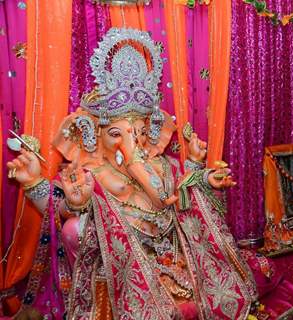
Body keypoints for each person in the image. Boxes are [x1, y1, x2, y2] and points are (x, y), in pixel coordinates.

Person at [6, 28, 258, 320]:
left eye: (138, 133)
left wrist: (200, 174)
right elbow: (63, 210)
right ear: (95, 135)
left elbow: (180, 196)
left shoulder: (160, 164)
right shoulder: (92, 173)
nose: (131, 144)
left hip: (174, 259)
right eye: (117, 134)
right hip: (122, 271)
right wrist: (36, 183)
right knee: (73, 228)